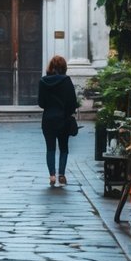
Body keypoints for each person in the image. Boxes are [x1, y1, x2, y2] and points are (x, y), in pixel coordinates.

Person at [37, 55, 78, 187]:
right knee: (64, 147)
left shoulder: (43, 81)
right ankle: (61, 174)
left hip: (48, 119)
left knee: (50, 148)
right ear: (64, 67)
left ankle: (52, 176)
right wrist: (67, 112)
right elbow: (73, 102)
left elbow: (41, 103)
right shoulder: (66, 81)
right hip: (63, 118)